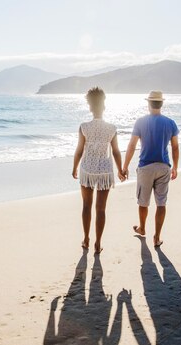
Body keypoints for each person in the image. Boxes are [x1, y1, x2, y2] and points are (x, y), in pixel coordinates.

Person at [122, 90, 179, 248]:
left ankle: (142, 228)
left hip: (146, 166)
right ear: (161, 103)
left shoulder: (140, 122)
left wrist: (124, 166)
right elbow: (175, 147)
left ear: (148, 103)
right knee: (161, 203)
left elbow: (132, 145)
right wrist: (175, 167)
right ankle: (157, 237)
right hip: (163, 166)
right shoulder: (170, 123)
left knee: (143, 202)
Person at [72, 87, 126, 254]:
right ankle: (98, 242)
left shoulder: (84, 127)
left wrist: (74, 167)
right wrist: (121, 170)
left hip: (87, 170)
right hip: (104, 172)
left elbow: (79, 150)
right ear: (104, 106)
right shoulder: (112, 128)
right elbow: (116, 151)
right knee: (101, 209)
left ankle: (86, 239)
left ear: (90, 107)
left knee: (86, 206)